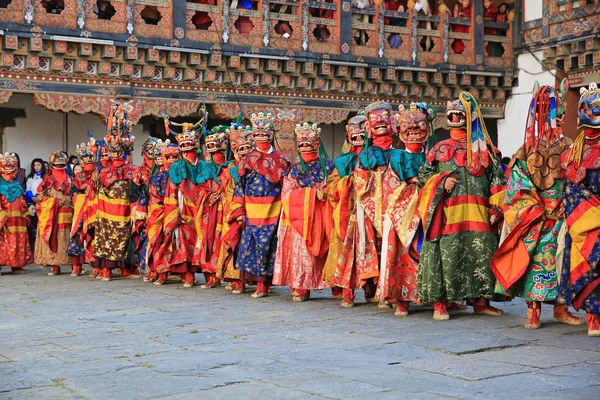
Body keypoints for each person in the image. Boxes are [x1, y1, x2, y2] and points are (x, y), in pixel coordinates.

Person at [492, 80, 584, 329]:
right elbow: (517, 185)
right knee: (533, 262)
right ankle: (533, 310)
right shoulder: (526, 151)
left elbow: (577, 179)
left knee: (562, 261)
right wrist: (535, 209)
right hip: (535, 218)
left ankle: (561, 308)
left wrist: (572, 203)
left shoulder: (570, 147)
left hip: (563, 216)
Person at [417, 93, 506, 320]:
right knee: (447, 257)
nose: (455, 116)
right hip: (448, 215)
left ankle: (481, 302)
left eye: (460, 113)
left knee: (483, 255)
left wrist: (496, 208)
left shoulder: (486, 149)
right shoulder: (439, 149)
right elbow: (424, 178)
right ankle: (440, 303)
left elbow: (498, 179)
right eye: (452, 113)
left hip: (480, 214)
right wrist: (441, 182)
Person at [378, 102, 436, 317]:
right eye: (407, 129)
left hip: (430, 212)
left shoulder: (434, 156)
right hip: (403, 215)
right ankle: (401, 297)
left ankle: (431, 294)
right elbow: (389, 187)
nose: (413, 133)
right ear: (400, 132)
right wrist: (417, 187)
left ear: (428, 129)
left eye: (419, 128)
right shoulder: (395, 157)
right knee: (402, 256)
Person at [273, 123, 334, 302]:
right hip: (298, 216)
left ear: (317, 143)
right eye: (302, 144)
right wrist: (312, 194)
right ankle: (300, 286)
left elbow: (332, 188)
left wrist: (322, 195)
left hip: (321, 215)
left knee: (326, 249)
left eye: (309, 143)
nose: (305, 147)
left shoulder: (328, 167)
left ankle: (332, 284)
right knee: (299, 252)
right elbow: (287, 193)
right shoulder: (294, 170)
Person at [232, 112, 290, 298]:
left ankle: (265, 284)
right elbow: (239, 187)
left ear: (271, 135)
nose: (260, 139)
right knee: (251, 245)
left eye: (264, 135)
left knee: (271, 245)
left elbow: (288, 186)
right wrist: (239, 209)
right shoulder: (248, 159)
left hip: (275, 207)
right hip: (252, 208)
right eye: (256, 136)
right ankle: (253, 283)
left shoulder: (281, 159)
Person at [559, 82, 600, 337]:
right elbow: (571, 191)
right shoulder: (574, 152)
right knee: (590, 262)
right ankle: (593, 316)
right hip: (586, 218)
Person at [163, 110, 211, 287]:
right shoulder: (176, 167)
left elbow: (210, 186)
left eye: (190, 145)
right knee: (183, 237)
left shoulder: (206, 165)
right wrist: (173, 209)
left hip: (202, 205)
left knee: (204, 237)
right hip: (184, 206)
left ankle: (207, 271)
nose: (187, 149)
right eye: (183, 146)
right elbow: (172, 189)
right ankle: (188, 273)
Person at [323, 114, 367, 307]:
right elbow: (331, 187)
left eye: (362, 128)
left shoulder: (376, 157)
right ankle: (347, 291)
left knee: (370, 251)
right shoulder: (342, 162)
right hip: (347, 212)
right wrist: (348, 183)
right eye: (353, 129)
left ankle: (371, 290)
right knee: (346, 253)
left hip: (369, 211)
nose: (357, 133)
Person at [93, 103, 137, 281]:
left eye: (119, 151)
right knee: (106, 237)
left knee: (126, 237)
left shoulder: (130, 169)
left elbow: (135, 188)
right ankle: (106, 270)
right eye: (112, 151)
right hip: (106, 211)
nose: (115, 154)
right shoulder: (104, 171)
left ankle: (125, 269)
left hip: (125, 210)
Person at [215, 124, 255, 294]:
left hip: (253, 209)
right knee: (231, 240)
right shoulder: (228, 168)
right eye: (236, 146)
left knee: (247, 242)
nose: (239, 150)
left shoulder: (255, 168)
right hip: (230, 209)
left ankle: (250, 278)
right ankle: (235, 277)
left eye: (244, 147)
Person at [195, 126, 231, 289]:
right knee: (208, 239)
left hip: (226, 208)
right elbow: (200, 187)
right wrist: (209, 196)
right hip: (209, 209)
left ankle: (226, 274)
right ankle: (210, 274)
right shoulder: (206, 168)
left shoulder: (230, 166)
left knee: (224, 239)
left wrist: (223, 195)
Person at [34, 151, 74, 276]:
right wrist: (55, 202)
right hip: (54, 216)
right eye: (57, 164)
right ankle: (55, 266)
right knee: (55, 238)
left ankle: (75, 265)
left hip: (69, 214)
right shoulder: (48, 180)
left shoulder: (70, 179)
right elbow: (40, 197)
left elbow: (74, 194)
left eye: (62, 164)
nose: (60, 166)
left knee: (70, 239)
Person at [144, 140, 178, 284]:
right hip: (159, 212)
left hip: (178, 212)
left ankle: (175, 272)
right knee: (157, 241)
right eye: (167, 157)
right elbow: (152, 196)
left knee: (176, 242)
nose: (170, 160)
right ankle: (157, 270)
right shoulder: (158, 176)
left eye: (174, 157)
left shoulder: (180, 174)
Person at [0, 153, 33, 275]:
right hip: (4, 219)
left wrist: (26, 211)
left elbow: (23, 200)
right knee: (2, 243)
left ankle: (17, 266)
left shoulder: (18, 183)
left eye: (11, 164)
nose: (8, 166)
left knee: (19, 241)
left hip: (18, 219)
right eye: (5, 164)